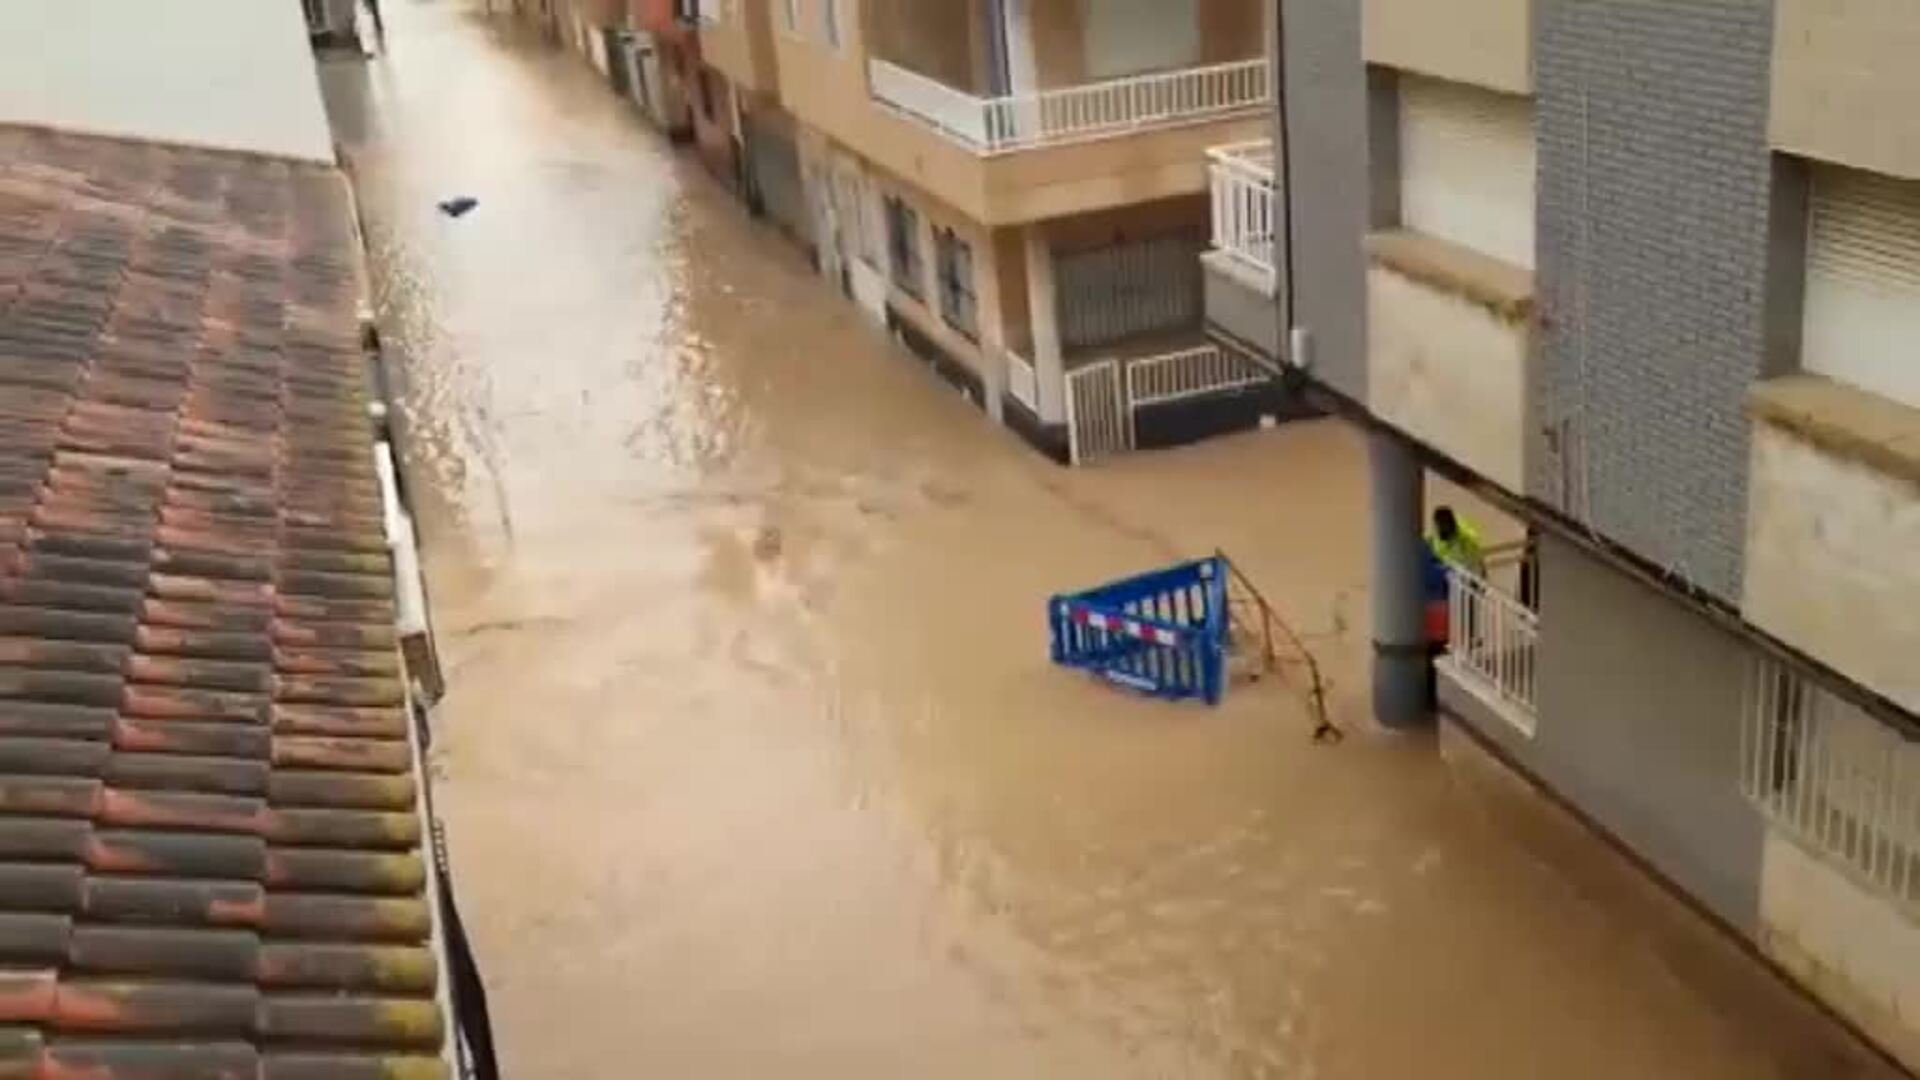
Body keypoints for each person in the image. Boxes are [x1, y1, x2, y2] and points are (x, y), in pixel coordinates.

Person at [1426, 505, 1486, 578]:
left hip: (1466, 573)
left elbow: (1477, 565)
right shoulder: (1434, 539)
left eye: (1443, 524)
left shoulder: (1466, 540)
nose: (1440, 528)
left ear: (1450, 524)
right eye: (1438, 525)